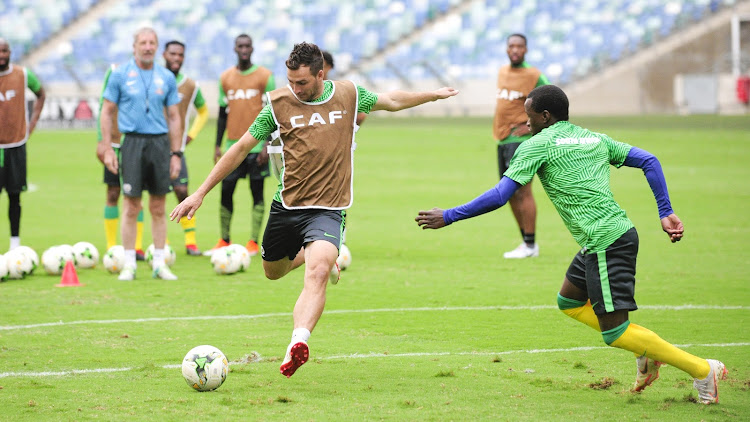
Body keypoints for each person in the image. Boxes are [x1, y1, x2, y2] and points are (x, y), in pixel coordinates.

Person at [416, 85, 726, 405]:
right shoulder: (594, 138)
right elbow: (649, 160)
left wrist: (450, 215)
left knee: (615, 333)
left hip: (606, 242)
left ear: (546, 117)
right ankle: (646, 354)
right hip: (606, 238)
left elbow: (500, 196)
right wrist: (665, 211)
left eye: (530, 117)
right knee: (570, 301)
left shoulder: (537, 146)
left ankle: (703, 369)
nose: (526, 124)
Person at [171, 42, 458, 378]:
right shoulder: (277, 105)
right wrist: (200, 193)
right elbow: (241, 147)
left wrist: (434, 95)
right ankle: (314, 254)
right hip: (287, 204)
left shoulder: (349, 93)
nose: (295, 88)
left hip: (329, 208)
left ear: (321, 74)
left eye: (302, 83)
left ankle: (298, 342)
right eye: (291, 81)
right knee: (272, 271)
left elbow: (392, 100)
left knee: (318, 272)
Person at [100, 27, 182, 281]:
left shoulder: (166, 77)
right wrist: (107, 147)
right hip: (132, 143)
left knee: (158, 206)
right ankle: (129, 264)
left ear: (157, 47)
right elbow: (106, 111)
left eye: (152, 43)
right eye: (143, 42)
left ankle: (159, 263)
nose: (147, 47)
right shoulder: (120, 74)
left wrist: (176, 153)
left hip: (159, 145)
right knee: (131, 205)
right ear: (134, 46)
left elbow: (174, 116)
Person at [208, 34, 275, 257]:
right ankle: (224, 239)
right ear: (235, 49)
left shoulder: (265, 76)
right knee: (226, 191)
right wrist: (217, 145)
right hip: (232, 147)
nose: (244, 49)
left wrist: (268, 143)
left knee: (257, 193)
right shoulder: (226, 78)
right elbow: (221, 114)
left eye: (247, 46)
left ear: (252, 48)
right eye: (240, 46)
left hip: (257, 148)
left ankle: (254, 242)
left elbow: (274, 113)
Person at [493, 33, 549, 259]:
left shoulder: (534, 75)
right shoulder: (502, 71)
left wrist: (532, 127)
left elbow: (554, 100)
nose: (515, 50)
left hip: (521, 141)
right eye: (511, 46)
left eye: (519, 46)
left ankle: (530, 244)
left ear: (526, 49)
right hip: (502, 139)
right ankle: (525, 242)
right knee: (507, 193)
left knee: (522, 190)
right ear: (507, 49)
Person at [163, 40, 209, 256]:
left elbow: (204, 111)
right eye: (173, 54)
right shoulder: (154, 79)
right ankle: (157, 243)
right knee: (155, 195)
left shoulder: (190, 85)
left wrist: (191, 135)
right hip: (152, 147)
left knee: (182, 191)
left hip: (176, 150)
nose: (176, 58)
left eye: (180, 55)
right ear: (164, 54)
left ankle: (190, 242)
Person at [96, 65, 147, 260]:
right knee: (113, 192)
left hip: (138, 143)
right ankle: (111, 247)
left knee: (136, 195)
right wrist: (103, 142)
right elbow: (104, 107)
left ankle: (137, 247)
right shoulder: (115, 71)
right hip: (116, 143)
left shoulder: (150, 73)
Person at [0, 38, 46, 251]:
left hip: (16, 146)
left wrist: (33, 122)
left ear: (10, 52)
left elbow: (41, 93)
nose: (1, 55)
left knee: (14, 196)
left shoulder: (23, 74)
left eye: (5, 51)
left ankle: (14, 245)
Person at [320, 50, 366, 249]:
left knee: (338, 194)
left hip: (337, 153)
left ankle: (340, 238)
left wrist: (347, 129)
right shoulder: (305, 92)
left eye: (320, 63)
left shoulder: (339, 90)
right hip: (311, 152)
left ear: (329, 67)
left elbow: (362, 112)